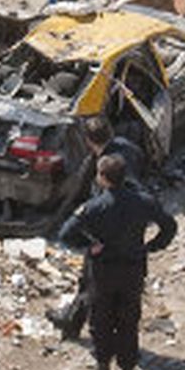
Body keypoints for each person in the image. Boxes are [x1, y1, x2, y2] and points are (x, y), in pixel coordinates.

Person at [58, 154, 176, 370]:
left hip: (102, 274)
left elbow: (65, 234)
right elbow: (169, 226)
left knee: (101, 321)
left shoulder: (94, 207)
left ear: (102, 178)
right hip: (132, 272)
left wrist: (89, 247)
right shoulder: (144, 202)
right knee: (128, 321)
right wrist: (151, 246)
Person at [48, 116, 149, 340]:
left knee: (92, 279)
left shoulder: (106, 167)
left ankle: (74, 324)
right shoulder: (127, 148)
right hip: (132, 231)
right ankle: (75, 321)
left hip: (110, 232)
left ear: (88, 141)